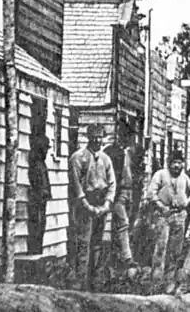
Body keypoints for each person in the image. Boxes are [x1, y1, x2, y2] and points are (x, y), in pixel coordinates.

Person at [68, 124, 116, 291]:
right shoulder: (78, 157)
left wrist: (107, 204)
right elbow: (76, 186)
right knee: (83, 243)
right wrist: (86, 205)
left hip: (101, 204)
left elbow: (112, 183)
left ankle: (94, 282)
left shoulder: (105, 159)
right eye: (93, 137)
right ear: (88, 137)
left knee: (97, 243)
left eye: (100, 137)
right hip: (84, 205)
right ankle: (80, 283)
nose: (97, 140)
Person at [145, 150, 190, 275]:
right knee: (161, 244)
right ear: (169, 163)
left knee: (176, 248)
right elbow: (150, 193)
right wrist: (161, 206)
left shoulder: (184, 177)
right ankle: (157, 274)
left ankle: (170, 274)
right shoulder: (161, 174)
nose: (177, 166)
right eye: (174, 162)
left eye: (179, 163)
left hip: (179, 215)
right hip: (163, 215)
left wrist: (186, 201)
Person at [103, 131, 137, 270]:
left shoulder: (129, 154)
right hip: (117, 193)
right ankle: (126, 257)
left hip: (127, 192)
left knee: (122, 224)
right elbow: (113, 176)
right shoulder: (113, 153)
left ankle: (117, 257)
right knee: (123, 223)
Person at [27, 134, 52, 255]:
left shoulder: (41, 164)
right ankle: (34, 251)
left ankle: (37, 250)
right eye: (45, 148)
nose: (47, 151)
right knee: (36, 226)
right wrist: (43, 193)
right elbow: (37, 184)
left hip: (41, 201)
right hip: (36, 201)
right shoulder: (36, 165)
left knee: (40, 226)